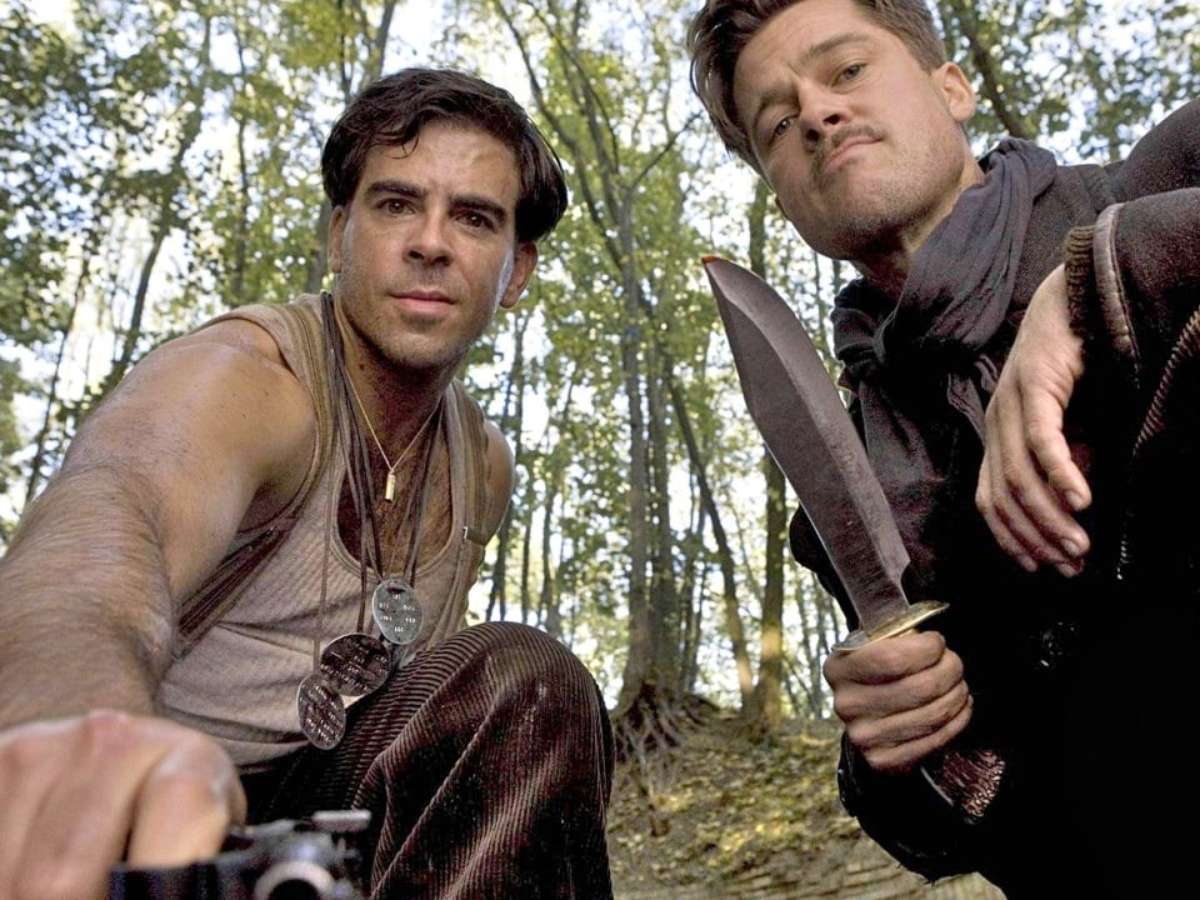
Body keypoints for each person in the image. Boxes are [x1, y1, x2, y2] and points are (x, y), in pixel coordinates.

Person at [0, 68, 614, 900]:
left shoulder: (483, 466)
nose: (430, 242)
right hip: (154, 814)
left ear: (515, 273)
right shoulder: (247, 381)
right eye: (395, 204)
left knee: (525, 681)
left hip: (333, 826)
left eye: (473, 218)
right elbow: (106, 522)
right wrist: (75, 725)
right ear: (338, 237)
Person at [687, 0, 1199, 895]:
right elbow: (969, 830)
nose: (816, 114)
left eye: (847, 70)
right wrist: (897, 752)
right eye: (777, 123)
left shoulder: (1160, 177)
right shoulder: (858, 486)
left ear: (952, 88)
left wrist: (1099, 277)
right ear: (784, 198)